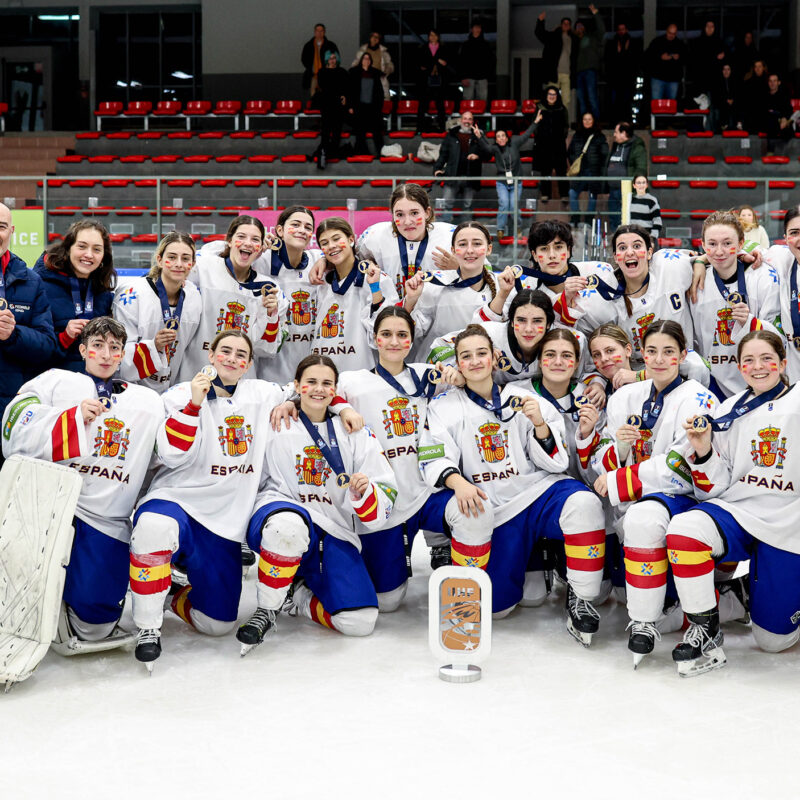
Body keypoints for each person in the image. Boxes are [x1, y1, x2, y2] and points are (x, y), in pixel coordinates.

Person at [419, 323, 607, 645]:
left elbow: (557, 462)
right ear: (458, 364)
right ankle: (473, 563)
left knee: (585, 503)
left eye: (482, 353)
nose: (476, 361)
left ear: (494, 357)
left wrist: (538, 424)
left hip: (535, 492)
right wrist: (457, 482)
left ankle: (581, 597)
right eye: (466, 356)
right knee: (497, 609)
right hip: (492, 506)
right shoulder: (444, 406)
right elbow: (433, 454)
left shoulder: (524, 398)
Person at [127, 331, 294, 668]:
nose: (232, 359)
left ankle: (174, 593)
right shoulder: (178, 394)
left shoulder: (262, 393)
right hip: (178, 500)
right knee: (154, 527)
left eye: (240, 355)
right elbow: (171, 455)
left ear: (248, 364)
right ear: (212, 354)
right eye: (225, 351)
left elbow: (313, 386)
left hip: (224, 520)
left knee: (216, 624)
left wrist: (293, 402)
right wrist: (193, 404)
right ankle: (148, 627)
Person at [2, 316, 163, 652]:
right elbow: (13, 426)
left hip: (105, 519)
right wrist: (70, 419)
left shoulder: (147, 402)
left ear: (122, 355)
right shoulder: (55, 382)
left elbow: (170, 454)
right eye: (98, 346)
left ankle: (73, 596)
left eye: (114, 348)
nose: (105, 355)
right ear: (83, 349)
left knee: (95, 627)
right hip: (49, 509)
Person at [238, 354, 397, 650]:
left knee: (360, 622)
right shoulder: (275, 419)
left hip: (333, 530)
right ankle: (267, 609)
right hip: (278, 510)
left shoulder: (354, 431)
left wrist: (365, 491)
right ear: (296, 385)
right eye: (310, 382)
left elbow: (386, 486)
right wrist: (289, 400)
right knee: (287, 527)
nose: (319, 389)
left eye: (327, 383)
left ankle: (297, 593)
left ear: (336, 391)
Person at [665, 330, 800, 675]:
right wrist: (703, 449)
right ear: (739, 367)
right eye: (748, 361)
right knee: (684, 528)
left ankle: (757, 591)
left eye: (766, 358)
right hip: (740, 510)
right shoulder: (728, 409)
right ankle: (706, 628)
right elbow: (715, 487)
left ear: (783, 363)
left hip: (791, 521)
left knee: (774, 642)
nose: (758, 367)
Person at [592, 320, 716, 666]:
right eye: (652, 351)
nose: (659, 360)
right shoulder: (624, 396)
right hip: (635, 497)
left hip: (683, 498)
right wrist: (618, 447)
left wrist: (622, 479)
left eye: (668, 352)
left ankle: (643, 622)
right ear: (640, 353)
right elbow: (602, 457)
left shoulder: (697, 398)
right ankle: (654, 613)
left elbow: (683, 464)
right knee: (638, 523)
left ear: (682, 355)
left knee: (644, 519)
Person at [329, 308, 464, 606]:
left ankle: (461, 574)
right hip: (384, 496)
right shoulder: (352, 381)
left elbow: (466, 373)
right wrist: (343, 408)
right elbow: (316, 390)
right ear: (374, 339)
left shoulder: (425, 374)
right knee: (388, 601)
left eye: (402, 335)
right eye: (386, 334)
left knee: (470, 510)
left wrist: (459, 376)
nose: (394, 341)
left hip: (426, 489)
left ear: (411, 339)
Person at [180, 215, 285, 381]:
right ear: (228, 240)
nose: (248, 243)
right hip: (195, 372)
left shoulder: (269, 288)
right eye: (241, 237)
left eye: (255, 239)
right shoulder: (203, 267)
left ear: (261, 248)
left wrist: (271, 315)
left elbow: (266, 349)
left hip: (240, 382)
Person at [690, 211, 780, 399]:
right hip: (712, 385)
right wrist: (699, 260)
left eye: (728, 243)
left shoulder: (762, 277)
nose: (720, 251)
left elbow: (777, 338)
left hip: (759, 380)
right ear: (703, 245)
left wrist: (750, 322)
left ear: (740, 244)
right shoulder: (693, 281)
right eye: (712, 244)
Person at [112, 231, 201, 394]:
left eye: (186, 258)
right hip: (131, 391)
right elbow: (118, 351)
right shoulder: (131, 295)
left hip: (173, 390)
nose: (179, 264)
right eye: (172, 257)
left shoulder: (194, 297)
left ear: (193, 263)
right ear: (159, 260)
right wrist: (154, 347)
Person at [402, 222, 499, 360]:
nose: (470, 250)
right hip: (437, 370)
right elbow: (414, 332)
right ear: (453, 250)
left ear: (489, 249)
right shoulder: (434, 285)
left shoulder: (503, 288)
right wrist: (410, 301)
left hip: (481, 368)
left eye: (477, 244)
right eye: (462, 244)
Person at [312, 217, 398, 371]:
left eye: (336, 239)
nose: (331, 246)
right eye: (324, 243)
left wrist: (375, 288)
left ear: (351, 239)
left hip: (362, 371)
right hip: (324, 371)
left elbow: (388, 329)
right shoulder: (322, 284)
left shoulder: (376, 278)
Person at [0, 202, 56, 433]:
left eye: (1, 226)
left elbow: (47, 346)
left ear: (11, 232)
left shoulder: (31, 281)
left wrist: (14, 335)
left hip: (10, 410)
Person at [34, 219, 116, 373]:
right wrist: (65, 337)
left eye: (97, 249)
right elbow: (30, 349)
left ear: (104, 256)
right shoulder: (40, 286)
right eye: (82, 246)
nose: (89, 255)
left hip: (93, 385)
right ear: (68, 248)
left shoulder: (104, 293)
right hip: (52, 386)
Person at [354, 184, 455, 302]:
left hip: (435, 314)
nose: (407, 221)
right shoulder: (375, 235)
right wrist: (367, 264)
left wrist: (460, 268)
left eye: (414, 213)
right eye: (400, 214)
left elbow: (481, 269)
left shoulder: (450, 236)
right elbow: (351, 258)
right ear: (392, 215)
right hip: (390, 314)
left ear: (427, 212)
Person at [477, 110, 540, 237]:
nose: (500, 138)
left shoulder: (515, 143)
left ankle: (518, 227)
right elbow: (486, 147)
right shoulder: (495, 149)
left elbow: (527, 134)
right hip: (501, 182)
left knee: (514, 207)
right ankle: (500, 229)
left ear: (507, 137)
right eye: (498, 136)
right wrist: (480, 136)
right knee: (504, 205)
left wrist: (535, 122)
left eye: (503, 136)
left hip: (516, 182)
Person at [433, 110, 485, 222]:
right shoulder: (451, 134)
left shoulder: (478, 135)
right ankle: (446, 230)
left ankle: (467, 232)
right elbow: (443, 154)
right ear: (461, 120)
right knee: (447, 205)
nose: (467, 121)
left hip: (470, 176)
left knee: (467, 206)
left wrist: (478, 155)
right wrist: (437, 168)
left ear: (473, 121)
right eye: (465, 118)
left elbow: (488, 153)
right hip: (452, 175)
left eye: (470, 119)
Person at [567, 112, 609, 226]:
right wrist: (575, 163)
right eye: (585, 119)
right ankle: (575, 218)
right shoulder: (577, 135)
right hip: (579, 172)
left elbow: (604, 154)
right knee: (572, 193)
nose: (587, 121)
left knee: (592, 195)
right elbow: (570, 152)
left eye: (589, 119)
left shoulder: (599, 136)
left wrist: (600, 169)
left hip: (593, 171)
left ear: (593, 121)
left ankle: (588, 220)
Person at [531, 86, 569, 203]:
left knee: (561, 170)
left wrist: (559, 138)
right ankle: (545, 194)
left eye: (554, 95)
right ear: (546, 96)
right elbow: (535, 125)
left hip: (559, 145)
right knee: (545, 170)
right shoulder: (540, 108)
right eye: (549, 94)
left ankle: (564, 194)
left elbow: (566, 127)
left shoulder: (562, 109)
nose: (552, 97)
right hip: (544, 145)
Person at [606, 121, 647, 228]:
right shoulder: (616, 146)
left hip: (627, 190)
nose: (614, 135)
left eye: (616, 132)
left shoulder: (637, 148)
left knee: (626, 218)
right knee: (613, 218)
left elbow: (641, 168)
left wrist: (637, 188)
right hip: (613, 189)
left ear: (623, 133)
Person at [535, 13, 576, 114]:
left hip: (567, 74)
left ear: (570, 26)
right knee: (551, 100)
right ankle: (552, 120)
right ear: (561, 25)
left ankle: (564, 122)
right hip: (554, 74)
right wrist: (540, 21)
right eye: (564, 23)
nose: (566, 25)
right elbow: (540, 34)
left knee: (566, 100)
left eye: (568, 24)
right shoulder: (553, 36)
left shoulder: (574, 39)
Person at [315, 50, 349, 168]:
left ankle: (333, 154)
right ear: (327, 60)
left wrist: (344, 95)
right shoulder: (322, 72)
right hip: (327, 105)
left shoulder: (342, 72)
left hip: (338, 105)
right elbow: (325, 87)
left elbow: (346, 87)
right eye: (330, 58)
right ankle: (324, 155)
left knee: (336, 131)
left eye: (334, 58)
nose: (332, 60)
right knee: (326, 131)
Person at [348, 51, 385, 156]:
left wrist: (378, 107)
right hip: (359, 107)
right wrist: (350, 105)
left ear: (371, 61)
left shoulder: (375, 74)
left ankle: (381, 152)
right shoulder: (354, 73)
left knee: (377, 132)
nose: (366, 60)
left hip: (372, 108)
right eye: (364, 58)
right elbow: (350, 91)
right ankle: (364, 153)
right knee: (360, 132)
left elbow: (379, 93)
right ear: (361, 60)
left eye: (368, 59)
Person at [605, 21, 641, 123]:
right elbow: (608, 60)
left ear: (626, 30)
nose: (621, 32)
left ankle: (627, 121)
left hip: (628, 78)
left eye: (623, 29)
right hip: (614, 78)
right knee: (615, 101)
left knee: (628, 100)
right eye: (619, 29)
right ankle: (614, 121)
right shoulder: (612, 43)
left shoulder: (632, 43)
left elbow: (635, 60)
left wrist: (624, 52)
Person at [573, 4, 605, 120]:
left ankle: (596, 121)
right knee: (581, 99)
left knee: (592, 96)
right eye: (577, 26)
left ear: (584, 28)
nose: (579, 27)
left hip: (590, 70)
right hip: (578, 72)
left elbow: (602, 29)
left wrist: (596, 14)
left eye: (581, 26)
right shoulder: (574, 40)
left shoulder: (592, 37)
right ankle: (584, 123)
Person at [415, 29, 450, 133]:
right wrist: (436, 60)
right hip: (425, 80)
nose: (433, 37)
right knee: (423, 104)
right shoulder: (423, 48)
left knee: (440, 104)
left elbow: (445, 63)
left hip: (440, 79)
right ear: (428, 37)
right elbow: (421, 65)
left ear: (438, 37)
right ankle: (420, 128)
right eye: (431, 35)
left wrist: (432, 61)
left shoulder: (444, 48)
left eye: (435, 35)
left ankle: (442, 128)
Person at [645, 23, 686, 101]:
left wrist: (679, 57)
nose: (671, 35)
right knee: (656, 104)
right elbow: (648, 56)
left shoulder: (680, 44)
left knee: (671, 105)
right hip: (658, 78)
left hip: (673, 79)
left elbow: (686, 59)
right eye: (670, 33)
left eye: (674, 34)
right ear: (666, 31)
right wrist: (660, 57)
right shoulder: (657, 42)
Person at [351, 31, 394, 100]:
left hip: (379, 80)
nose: (375, 39)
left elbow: (390, 65)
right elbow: (355, 64)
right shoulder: (362, 51)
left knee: (382, 100)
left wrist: (386, 71)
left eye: (377, 37)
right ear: (370, 38)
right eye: (373, 36)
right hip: (364, 80)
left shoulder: (384, 52)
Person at [458, 20, 494, 102]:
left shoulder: (486, 45)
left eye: (479, 28)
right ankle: (467, 115)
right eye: (475, 27)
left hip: (482, 77)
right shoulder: (466, 45)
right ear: (472, 29)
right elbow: (461, 62)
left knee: (482, 101)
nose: (477, 29)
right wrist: (463, 77)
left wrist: (487, 75)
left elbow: (490, 61)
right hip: (468, 77)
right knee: (467, 100)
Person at [690, 20, 727, 96]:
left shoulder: (719, 42)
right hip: (700, 79)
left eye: (712, 26)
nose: (709, 28)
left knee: (714, 102)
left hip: (715, 80)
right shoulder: (697, 42)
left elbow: (724, 58)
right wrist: (714, 56)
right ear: (704, 27)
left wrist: (722, 56)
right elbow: (696, 59)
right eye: (707, 26)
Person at [302, 23, 338, 98]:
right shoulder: (308, 45)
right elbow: (303, 59)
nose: (319, 33)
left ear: (324, 32)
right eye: (317, 31)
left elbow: (337, 59)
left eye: (321, 31)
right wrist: (310, 68)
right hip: (314, 74)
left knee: (327, 94)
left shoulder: (331, 45)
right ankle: (314, 108)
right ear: (314, 32)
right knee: (313, 93)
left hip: (327, 75)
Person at [763, 73, 792, 152]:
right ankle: (771, 151)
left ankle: (780, 152)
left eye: (774, 81)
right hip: (769, 123)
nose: (772, 83)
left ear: (779, 82)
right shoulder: (764, 96)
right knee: (771, 120)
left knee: (787, 128)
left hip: (781, 122)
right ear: (768, 83)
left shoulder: (784, 96)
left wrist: (784, 118)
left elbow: (788, 110)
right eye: (770, 81)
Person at [628, 175, 662, 242]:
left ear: (646, 185)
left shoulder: (652, 200)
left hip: (647, 238)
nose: (641, 185)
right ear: (634, 185)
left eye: (643, 182)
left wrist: (652, 239)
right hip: (632, 238)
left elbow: (657, 221)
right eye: (639, 183)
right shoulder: (630, 201)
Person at [739, 59, 768, 133]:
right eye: (756, 67)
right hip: (751, 116)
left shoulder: (769, 81)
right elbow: (744, 101)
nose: (757, 69)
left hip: (764, 116)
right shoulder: (748, 82)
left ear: (764, 68)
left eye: (759, 66)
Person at [710, 63, 739, 132]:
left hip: (732, 102)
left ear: (731, 71)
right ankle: (724, 125)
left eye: (728, 69)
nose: (726, 71)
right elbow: (716, 96)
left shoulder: (735, 81)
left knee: (737, 104)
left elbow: (737, 94)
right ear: (722, 71)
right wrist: (726, 100)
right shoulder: (717, 82)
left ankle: (737, 124)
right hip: (721, 102)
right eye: (724, 69)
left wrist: (732, 100)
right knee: (723, 105)